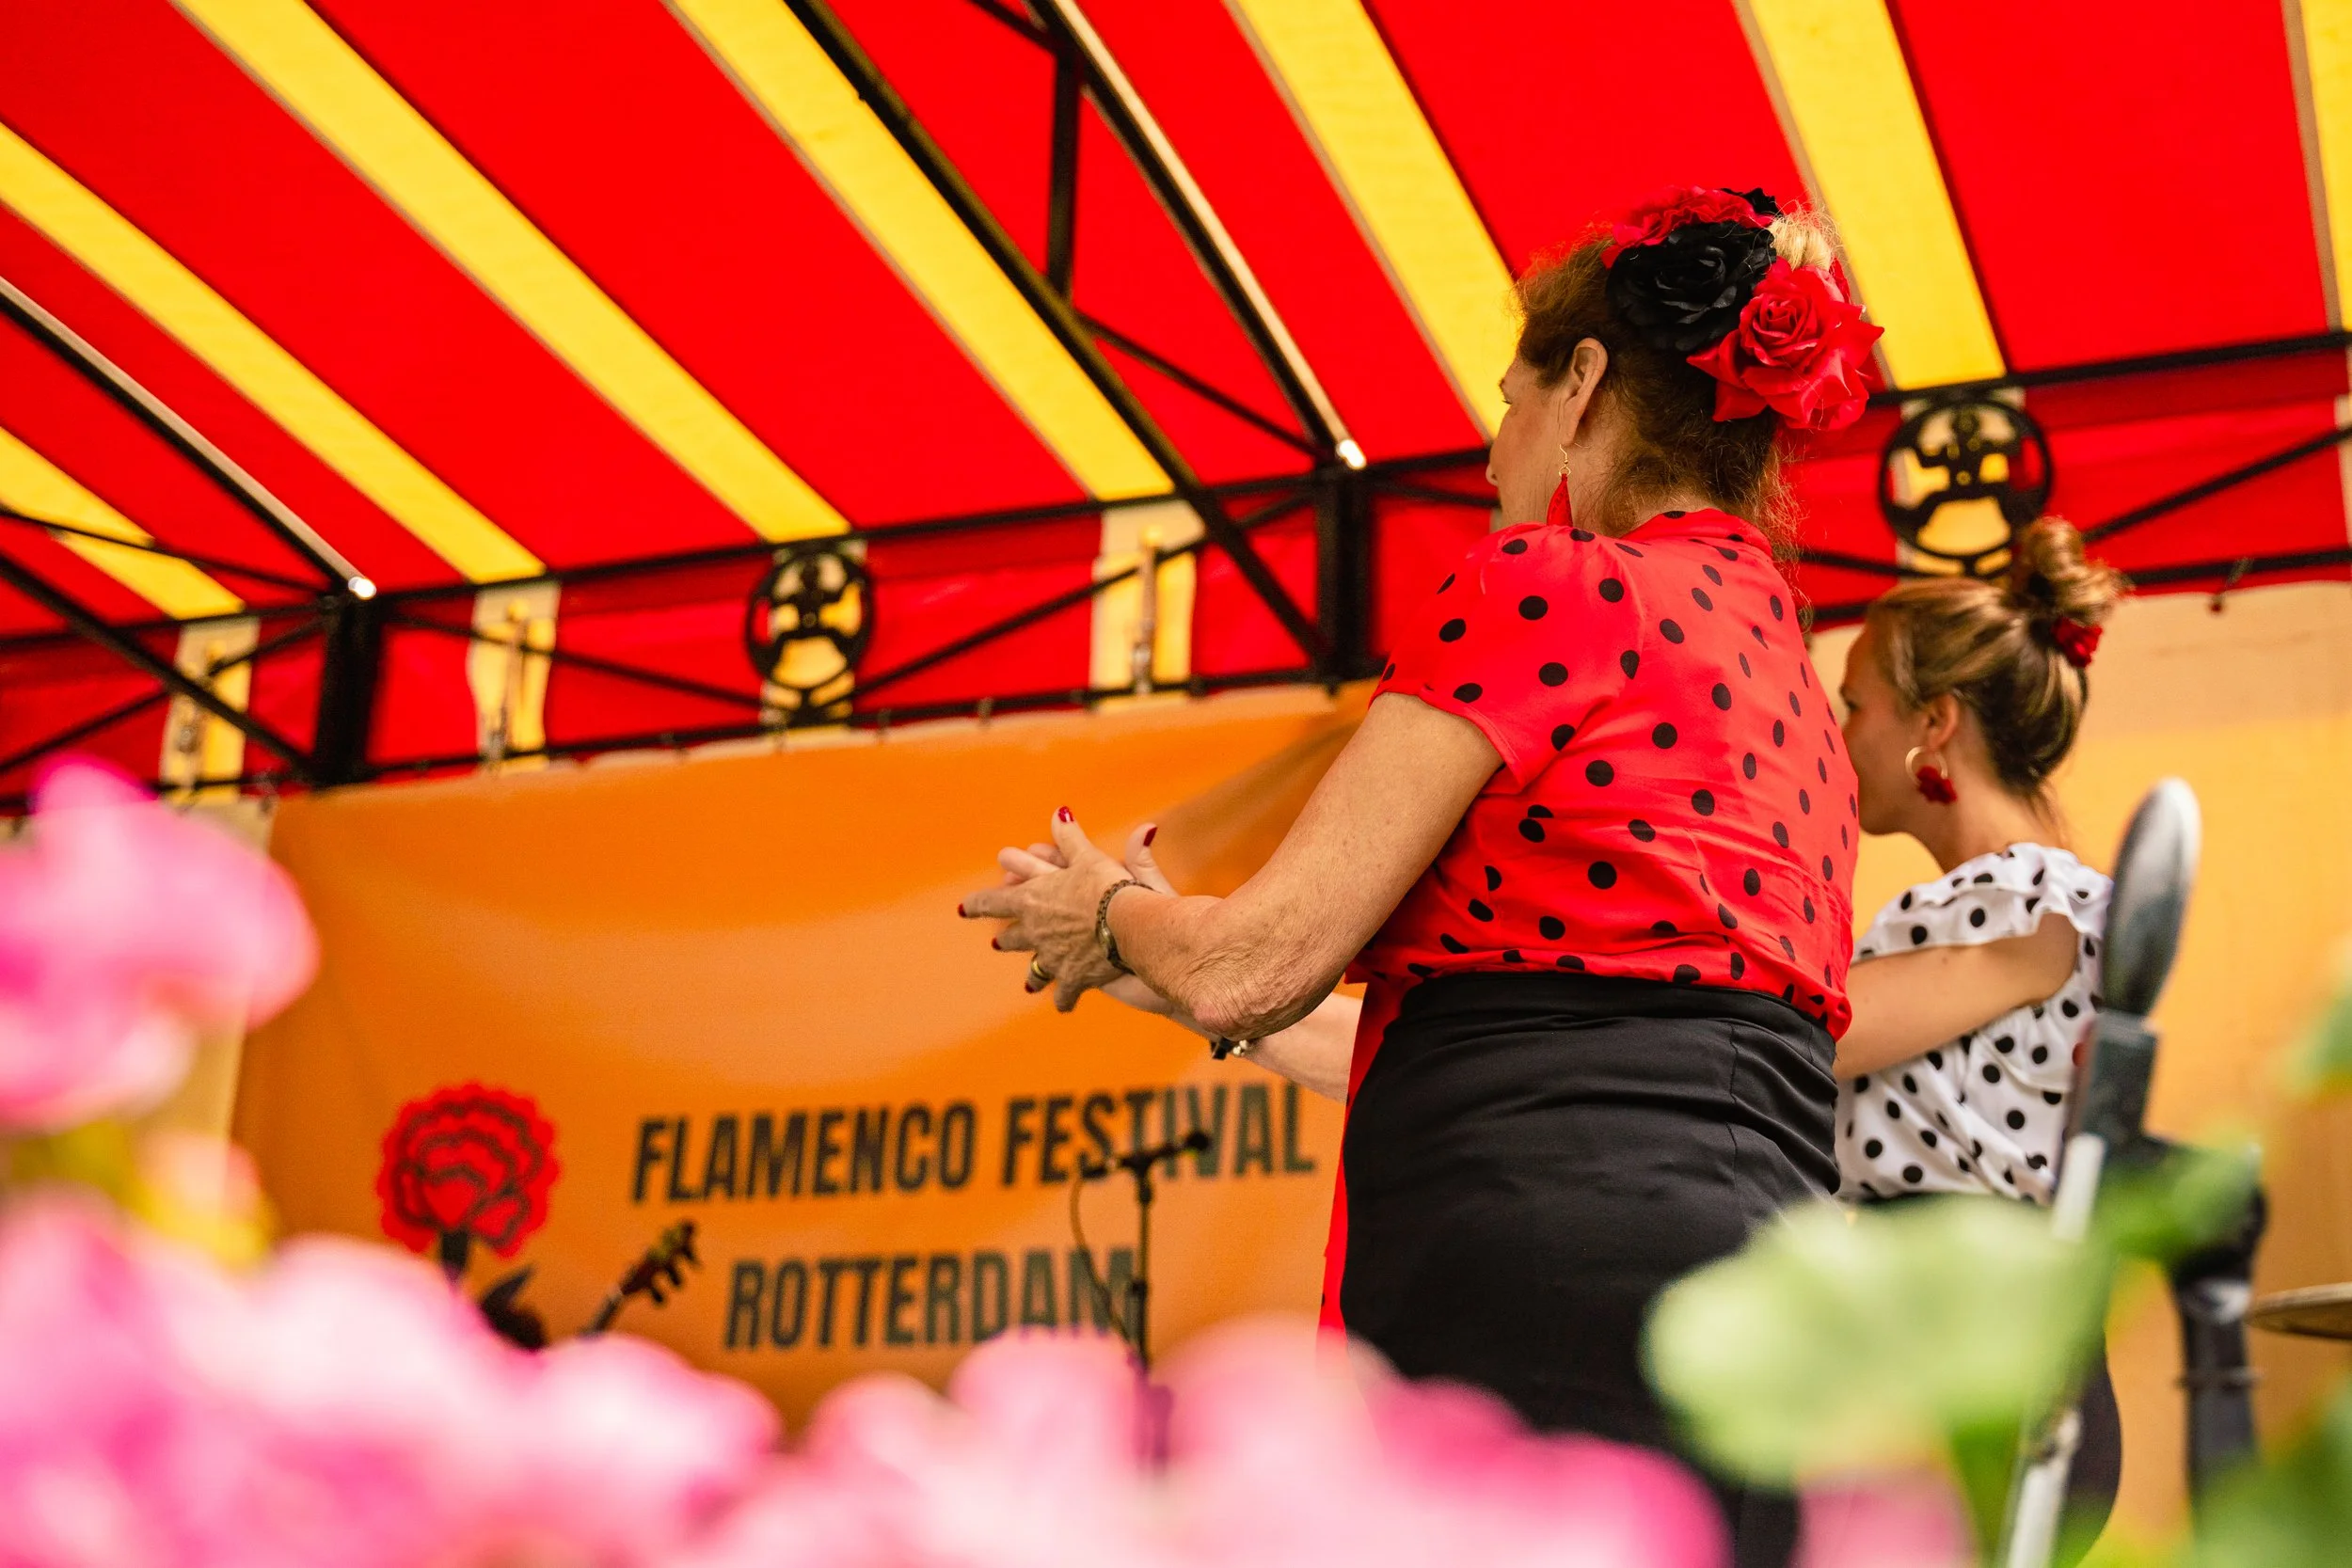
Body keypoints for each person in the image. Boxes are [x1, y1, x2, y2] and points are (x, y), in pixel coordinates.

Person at [961, 185, 1882, 1568]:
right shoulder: (1798, 693)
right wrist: (1151, 954)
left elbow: (1256, 963)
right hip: (1770, 1296)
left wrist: (1109, 912)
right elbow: (1544, 1012)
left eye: (1509, 399)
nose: (1494, 449)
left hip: (1531, 1282)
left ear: (1581, 386)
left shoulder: (1557, 582)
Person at [1828, 515, 2129, 1556]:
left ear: (1934, 723)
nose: (1840, 734)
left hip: (1959, 1363)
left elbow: (1807, 1037)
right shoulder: (2080, 898)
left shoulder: (1989, 908)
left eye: (1854, 703)